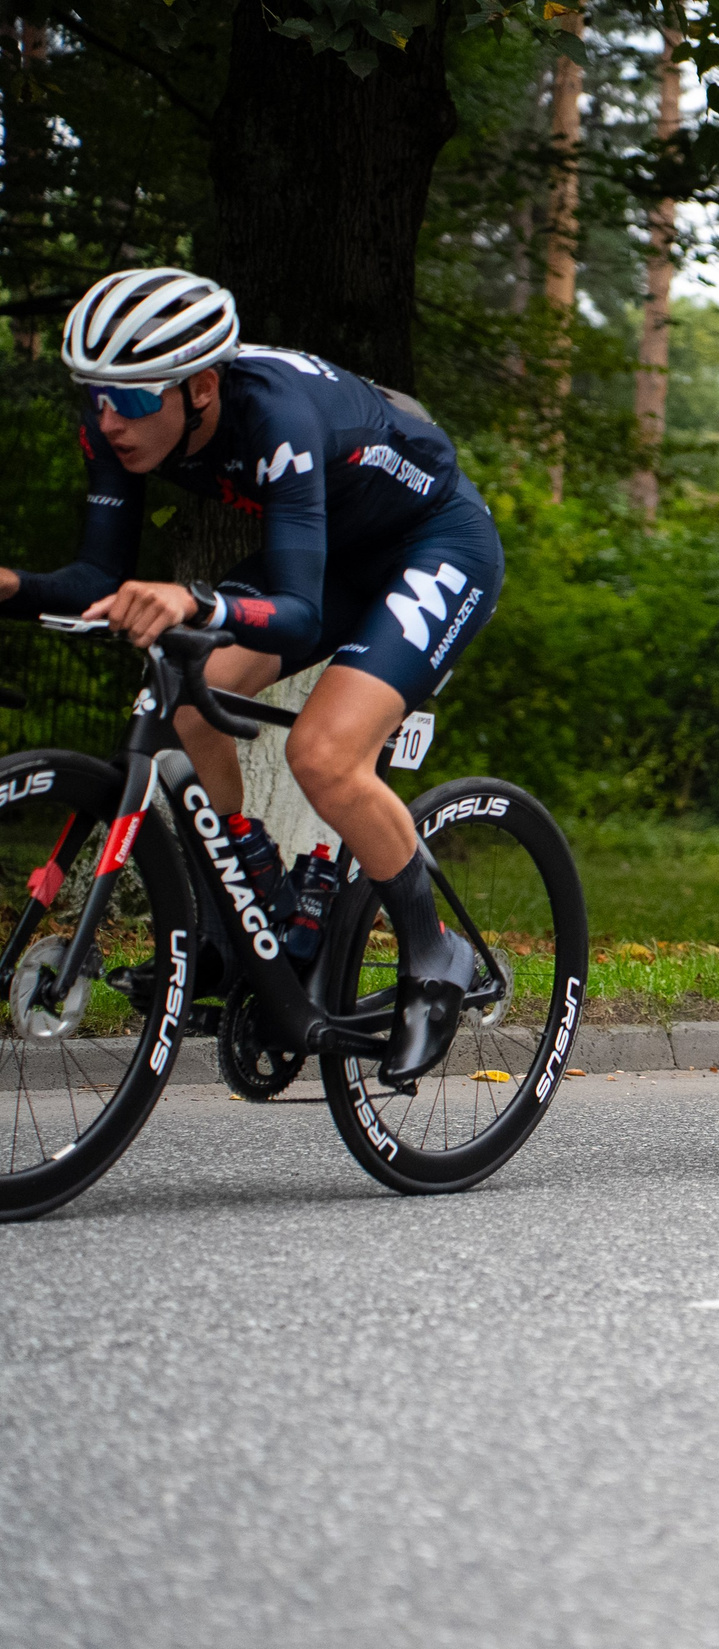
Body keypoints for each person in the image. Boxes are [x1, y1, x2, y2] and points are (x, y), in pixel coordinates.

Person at [0, 268, 502, 1088]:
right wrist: (16, 588)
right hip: (331, 550)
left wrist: (194, 598)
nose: (107, 419)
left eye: (128, 401)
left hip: (433, 545)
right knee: (189, 703)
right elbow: (99, 576)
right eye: (94, 396)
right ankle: (254, 910)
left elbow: (298, 614)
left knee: (324, 753)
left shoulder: (277, 417)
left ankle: (431, 952)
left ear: (199, 388)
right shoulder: (120, 425)